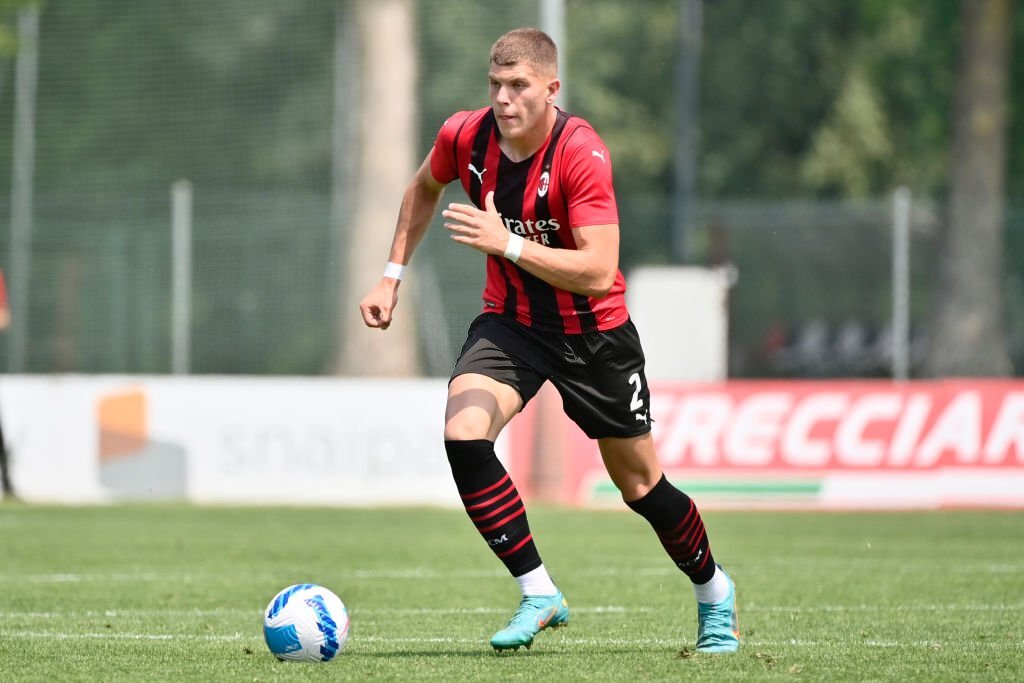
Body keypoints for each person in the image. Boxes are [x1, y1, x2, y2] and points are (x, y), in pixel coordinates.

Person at [358, 27, 739, 654]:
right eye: (495, 86)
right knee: (463, 434)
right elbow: (423, 187)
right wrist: (391, 275)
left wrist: (505, 241)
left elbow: (597, 269)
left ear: (551, 89)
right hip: (512, 324)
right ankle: (538, 591)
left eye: (519, 86)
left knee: (640, 487)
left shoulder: (580, 152)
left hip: (594, 333)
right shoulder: (465, 135)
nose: (504, 100)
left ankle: (714, 592)